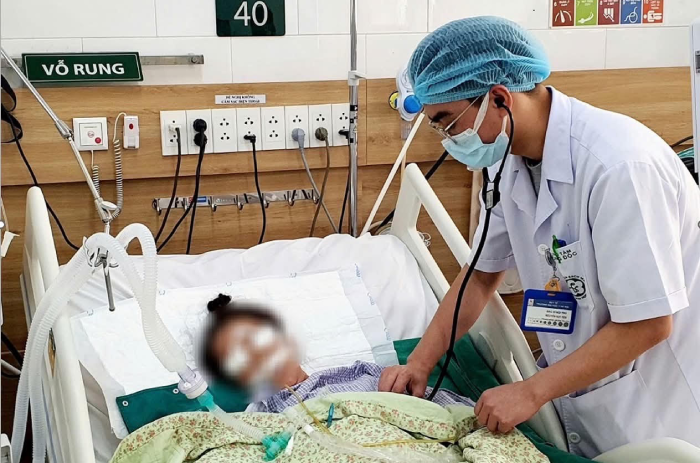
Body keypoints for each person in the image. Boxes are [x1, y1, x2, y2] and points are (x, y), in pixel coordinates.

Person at [378, 16, 700, 458]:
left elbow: (649, 323)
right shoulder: (509, 158)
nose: (447, 140)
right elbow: (480, 275)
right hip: (579, 392)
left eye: (447, 122)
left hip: (653, 406)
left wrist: (531, 391)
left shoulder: (620, 168)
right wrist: (419, 362)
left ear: (499, 98)